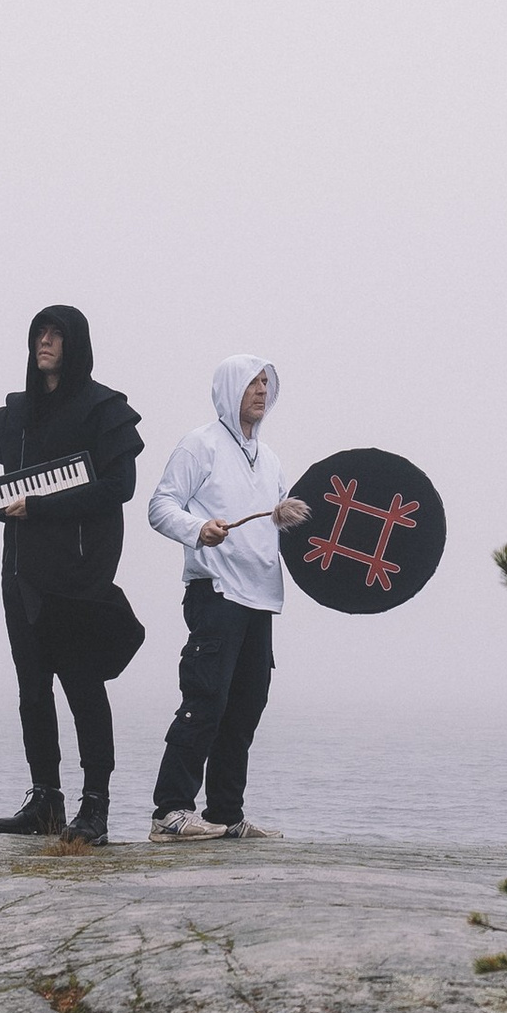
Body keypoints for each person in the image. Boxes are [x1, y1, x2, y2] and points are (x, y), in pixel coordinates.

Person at [0, 303, 142, 844]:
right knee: (32, 690)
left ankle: (95, 807)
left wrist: (41, 507)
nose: (45, 342)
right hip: (20, 575)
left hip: (77, 578)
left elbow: (117, 488)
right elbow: (11, 493)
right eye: (39, 333)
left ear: (75, 343)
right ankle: (46, 802)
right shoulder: (19, 413)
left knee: (83, 686)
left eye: (56, 334)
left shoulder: (106, 410)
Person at [145, 352, 307, 843]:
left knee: (245, 707)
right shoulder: (201, 445)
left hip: (261, 598)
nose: (261, 390)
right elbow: (160, 506)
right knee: (206, 699)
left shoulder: (272, 459)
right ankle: (170, 812)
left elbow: (280, 524)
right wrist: (199, 529)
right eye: (251, 382)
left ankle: (225, 814)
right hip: (215, 592)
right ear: (229, 388)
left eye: (266, 383)